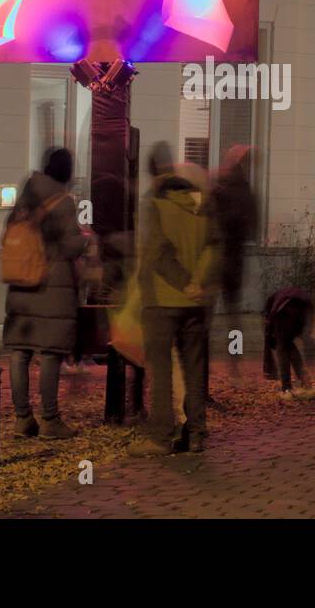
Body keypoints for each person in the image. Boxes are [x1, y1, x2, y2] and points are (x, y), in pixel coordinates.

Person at [129, 143, 217, 455]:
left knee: (161, 369)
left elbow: (156, 252)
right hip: (196, 303)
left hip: (162, 301)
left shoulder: (157, 205)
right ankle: (196, 434)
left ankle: (161, 436)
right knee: (194, 369)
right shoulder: (202, 205)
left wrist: (183, 282)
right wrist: (198, 283)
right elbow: (214, 247)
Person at [5, 147, 87, 439]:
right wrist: (86, 241)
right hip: (51, 287)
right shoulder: (62, 202)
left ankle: (22, 418)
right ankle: (50, 420)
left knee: (20, 353)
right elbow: (69, 246)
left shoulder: (25, 198)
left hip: (22, 283)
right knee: (50, 354)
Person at [207, 145, 257, 400]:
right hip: (234, 259)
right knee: (233, 317)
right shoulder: (245, 191)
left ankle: (206, 366)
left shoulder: (218, 189)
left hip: (216, 257)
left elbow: (209, 218)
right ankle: (234, 365)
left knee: (208, 315)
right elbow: (252, 222)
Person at [264, 285, 312, 400]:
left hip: (284, 313)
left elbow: (269, 318)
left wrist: (270, 332)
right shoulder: (286, 295)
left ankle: (286, 388)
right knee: (288, 345)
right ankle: (305, 383)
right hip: (301, 311)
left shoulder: (273, 304)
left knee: (283, 350)